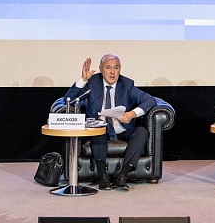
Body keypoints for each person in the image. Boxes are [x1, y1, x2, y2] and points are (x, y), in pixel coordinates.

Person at [64, 54, 157, 191]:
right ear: (101, 69)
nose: (112, 72)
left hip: (122, 129)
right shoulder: (92, 82)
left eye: (116, 68)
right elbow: (68, 100)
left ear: (120, 69)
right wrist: (83, 80)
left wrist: (132, 114)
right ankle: (103, 176)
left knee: (142, 132)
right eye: (108, 68)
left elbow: (150, 100)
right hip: (99, 130)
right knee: (99, 130)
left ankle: (123, 175)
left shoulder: (127, 85)